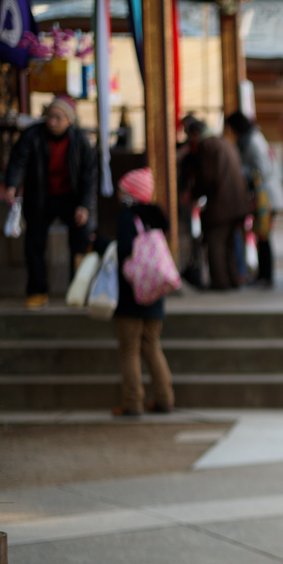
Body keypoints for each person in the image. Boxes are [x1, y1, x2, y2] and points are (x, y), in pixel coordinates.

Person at [4, 94, 96, 308]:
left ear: (69, 120)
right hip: (40, 197)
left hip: (71, 198)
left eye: (58, 118)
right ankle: (38, 291)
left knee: (81, 240)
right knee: (34, 243)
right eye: (49, 116)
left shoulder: (81, 141)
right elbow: (18, 162)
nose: (52, 122)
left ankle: (78, 290)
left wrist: (84, 206)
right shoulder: (32, 136)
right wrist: (12, 185)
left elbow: (89, 177)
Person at [112, 168, 174, 417]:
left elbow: (124, 254)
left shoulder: (127, 219)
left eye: (122, 190)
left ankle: (133, 402)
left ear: (131, 194)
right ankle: (164, 398)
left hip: (131, 295)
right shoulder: (156, 218)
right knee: (152, 346)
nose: (119, 194)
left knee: (129, 349)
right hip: (155, 294)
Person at [186, 117, 251, 290]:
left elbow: (207, 176)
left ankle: (220, 282)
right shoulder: (224, 141)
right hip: (237, 202)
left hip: (221, 203)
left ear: (195, 134)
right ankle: (233, 278)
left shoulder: (207, 145)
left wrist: (194, 194)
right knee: (229, 244)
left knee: (215, 243)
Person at [227, 111, 283, 287]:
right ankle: (263, 273)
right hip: (264, 194)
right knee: (262, 234)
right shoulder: (253, 138)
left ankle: (266, 274)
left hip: (265, 195)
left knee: (263, 234)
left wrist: (243, 173)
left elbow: (263, 169)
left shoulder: (252, 141)